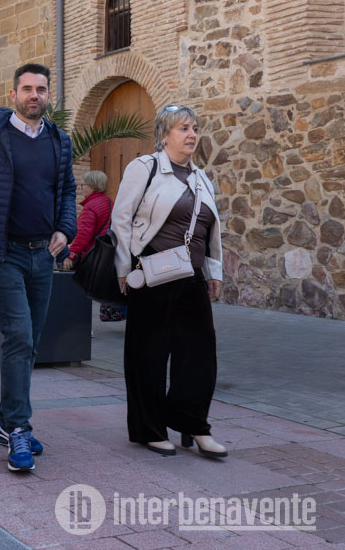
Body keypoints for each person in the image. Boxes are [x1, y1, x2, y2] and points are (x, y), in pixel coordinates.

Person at [0, 63, 76, 472]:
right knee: (19, 335)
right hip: (1, 253)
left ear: (48, 95)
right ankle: (20, 429)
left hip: (43, 254)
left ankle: (8, 422)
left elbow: (67, 189)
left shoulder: (60, 140)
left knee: (29, 341)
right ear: (13, 95)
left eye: (41, 89)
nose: (34, 96)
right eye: (27, 89)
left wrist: (66, 228)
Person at [111, 104, 225, 458]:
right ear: (164, 134)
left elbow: (210, 228)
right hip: (153, 276)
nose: (191, 134)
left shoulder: (201, 177)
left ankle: (194, 424)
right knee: (149, 356)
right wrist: (122, 268)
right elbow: (121, 219)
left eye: (194, 128)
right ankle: (150, 428)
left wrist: (214, 271)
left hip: (191, 278)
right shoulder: (145, 168)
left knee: (200, 356)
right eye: (183, 128)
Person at [61, 171, 125, 321]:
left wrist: (71, 254)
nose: (82, 188)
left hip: (91, 256)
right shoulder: (110, 203)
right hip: (106, 255)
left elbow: (83, 235)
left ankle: (78, 324)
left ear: (92, 187)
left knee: (79, 291)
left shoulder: (91, 207)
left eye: (84, 185)